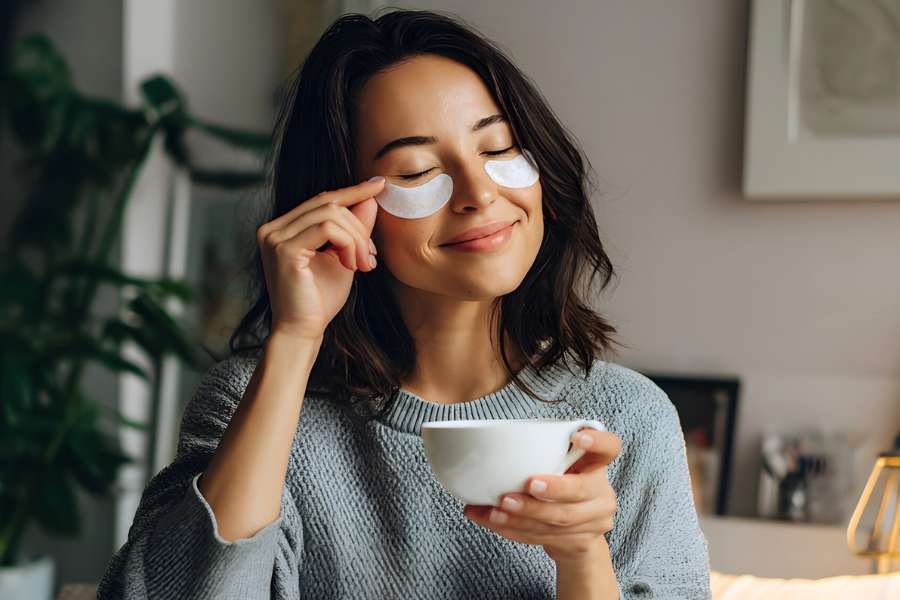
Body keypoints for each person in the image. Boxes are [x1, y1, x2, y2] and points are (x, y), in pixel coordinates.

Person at [97, 8, 711, 600]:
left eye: (498, 148)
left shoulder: (628, 417)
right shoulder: (251, 403)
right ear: (339, 205)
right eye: (416, 172)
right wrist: (296, 338)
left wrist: (582, 556)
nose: (478, 193)